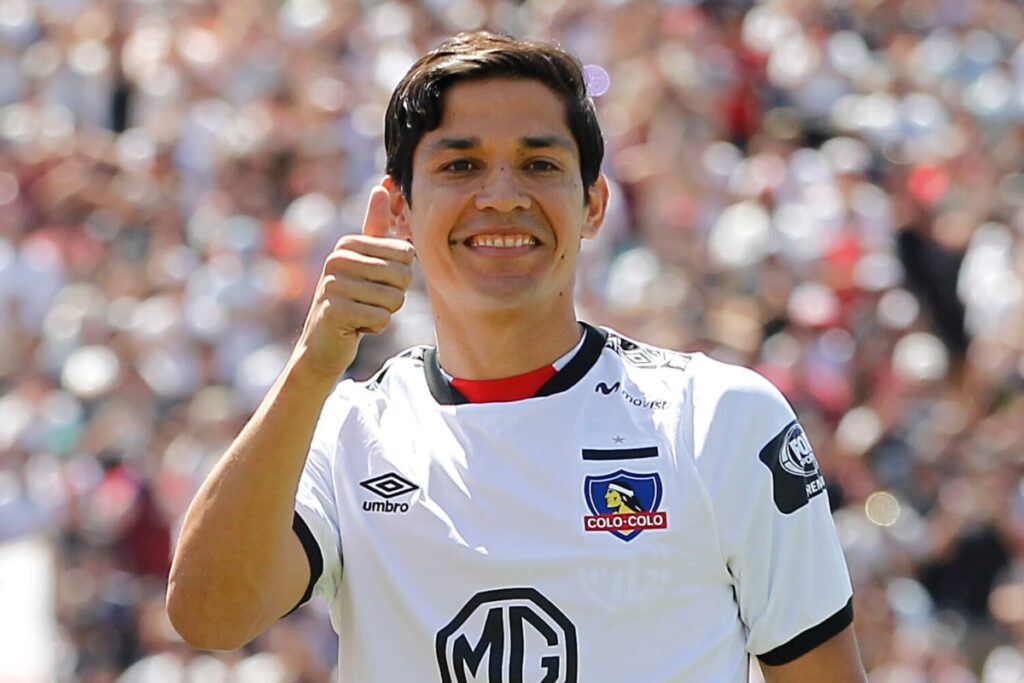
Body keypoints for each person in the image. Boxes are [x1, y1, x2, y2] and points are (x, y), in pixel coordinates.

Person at [167, 30, 867, 682]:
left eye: (538, 163)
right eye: (461, 164)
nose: (501, 197)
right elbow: (211, 613)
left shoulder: (718, 418)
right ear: (400, 209)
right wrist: (314, 365)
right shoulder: (345, 432)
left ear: (594, 203)